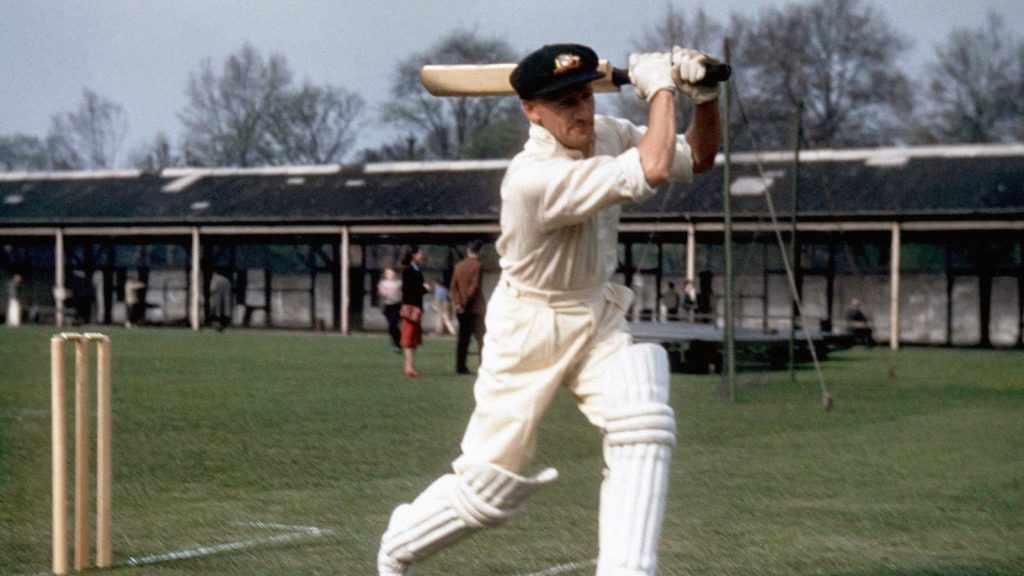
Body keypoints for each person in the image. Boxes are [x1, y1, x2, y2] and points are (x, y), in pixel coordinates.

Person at [378, 43, 721, 575]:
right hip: (529, 327)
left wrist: (705, 99)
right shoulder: (531, 179)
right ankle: (398, 545)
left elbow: (694, 158)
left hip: (596, 313)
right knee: (490, 488)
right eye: (564, 103)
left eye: (584, 95)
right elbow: (652, 167)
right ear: (531, 111)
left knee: (643, 415)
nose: (580, 111)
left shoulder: (606, 133)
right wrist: (660, 87)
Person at [449, 240, 487, 375]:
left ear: (468, 251)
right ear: (480, 251)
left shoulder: (458, 266)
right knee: (482, 339)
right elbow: (474, 287)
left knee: (463, 339)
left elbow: (453, 287)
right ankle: (483, 365)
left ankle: (460, 367)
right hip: (475, 308)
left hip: (461, 309)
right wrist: (465, 302)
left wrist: (458, 303)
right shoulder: (478, 266)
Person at [399, 246, 430, 378]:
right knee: (409, 337)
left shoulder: (416, 269)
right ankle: (409, 367)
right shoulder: (408, 270)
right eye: (420, 253)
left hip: (416, 307)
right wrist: (424, 288)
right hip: (410, 308)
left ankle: (410, 365)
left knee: (414, 338)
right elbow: (409, 289)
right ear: (413, 255)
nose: (422, 255)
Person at [377, 267, 403, 353]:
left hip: (397, 305)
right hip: (388, 306)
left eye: (392, 273)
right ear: (386, 275)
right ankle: (395, 342)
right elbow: (380, 294)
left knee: (395, 324)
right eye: (389, 273)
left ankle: (398, 343)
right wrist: (383, 294)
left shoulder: (399, 283)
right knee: (392, 326)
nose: (391, 275)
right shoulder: (383, 283)